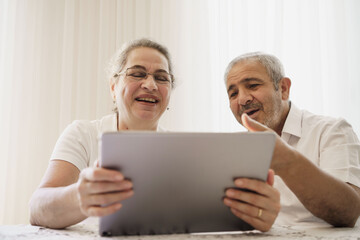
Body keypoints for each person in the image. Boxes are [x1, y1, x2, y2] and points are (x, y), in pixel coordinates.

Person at [29, 39, 279, 232]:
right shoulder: (82, 133)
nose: (150, 84)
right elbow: (37, 209)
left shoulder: (183, 153)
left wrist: (255, 215)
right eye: (137, 73)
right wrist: (79, 197)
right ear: (113, 87)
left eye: (161, 78)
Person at [224, 52, 360, 227]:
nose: (242, 99)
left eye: (253, 85)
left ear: (283, 89)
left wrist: (287, 161)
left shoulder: (332, 131)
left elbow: (349, 212)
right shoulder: (234, 150)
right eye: (233, 94)